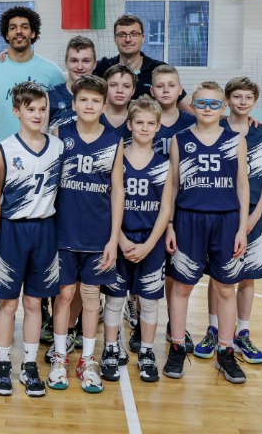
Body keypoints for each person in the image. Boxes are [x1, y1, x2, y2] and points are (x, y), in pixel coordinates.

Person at [164, 82, 249, 384]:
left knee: (225, 288)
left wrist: (242, 228)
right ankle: (177, 346)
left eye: (214, 104)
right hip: (188, 219)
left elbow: (242, 185)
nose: (208, 109)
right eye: (202, 103)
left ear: (224, 107)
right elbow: (173, 184)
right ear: (193, 106)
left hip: (226, 221)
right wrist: (170, 224)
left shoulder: (235, 139)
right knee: (182, 287)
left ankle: (225, 351)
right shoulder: (180, 139)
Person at [47, 75, 123, 394]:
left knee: (91, 296)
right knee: (64, 295)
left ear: (104, 106)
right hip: (63, 231)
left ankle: (88, 360)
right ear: (74, 103)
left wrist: (113, 239)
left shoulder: (115, 139)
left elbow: (117, 191)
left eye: (95, 101)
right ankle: (60, 357)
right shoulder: (59, 133)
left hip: (97, 234)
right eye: (84, 100)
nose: (89, 105)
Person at [194, 77, 262, 364]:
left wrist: (255, 214)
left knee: (248, 274)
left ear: (255, 101)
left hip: (252, 212)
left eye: (248, 97)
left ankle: (242, 333)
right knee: (219, 275)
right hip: (224, 211)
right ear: (227, 100)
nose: (243, 101)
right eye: (237, 96)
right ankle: (214, 329)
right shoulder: (217, 127)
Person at [0, 82, 63, 398]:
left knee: (34, 303)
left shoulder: (58, 147)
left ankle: (30, 365)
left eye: (42, 109)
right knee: (7, 304)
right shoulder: (3, 149)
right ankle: (3, 364)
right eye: (30, 109)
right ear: (16, 111)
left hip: (45, 230)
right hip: (11, 231)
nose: (37, 114)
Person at [101, 96, 173, 383]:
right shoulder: (117, 160)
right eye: (139, 122)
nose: (144, 128)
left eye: (150, 123)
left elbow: (166, 208)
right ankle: (110, 348)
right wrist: (119, 239)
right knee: (115, 299)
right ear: (129, 125)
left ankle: (146, 351)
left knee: (150, 301)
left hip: (150, 242)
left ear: (158, 127)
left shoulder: (165, 164)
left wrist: (149, 244)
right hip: (120, 238)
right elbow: (109, 201)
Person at [147, 64, 196, 355]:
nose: (166, 90)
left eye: (171, 85)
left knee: (174, 271)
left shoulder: (192, 121)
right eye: (160, 86)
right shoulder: (143, 119)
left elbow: (225, 124)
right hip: (147, 204)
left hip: (181, 207)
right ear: (152, 91)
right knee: (146, 268)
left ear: (180, 90)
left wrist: (247, 119)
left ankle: (174, 325)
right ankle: (140, 322)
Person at [0, 6, 65, 144]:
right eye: (13, 28)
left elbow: (61, 116)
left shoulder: (52, 71)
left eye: (24, 27)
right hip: (1, 151)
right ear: (6, 35)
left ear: (33, 33)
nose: (18, 31)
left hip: (40, 151)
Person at [93, 14, 190, 111]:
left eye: (134, 34)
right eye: (122, 35)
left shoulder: (158, 70)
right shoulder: (101, 67)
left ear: (143, 38)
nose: (128, 39)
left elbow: (190, 109)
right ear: (115, 39)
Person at [47, 36, 98, 131]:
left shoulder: (104, 97)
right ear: (66, 62)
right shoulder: (50, 96)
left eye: (86, 61)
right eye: (74, 60)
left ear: (94, 64)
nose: (80, 67)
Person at [102, 63, 137, 143]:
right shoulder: (93, 117)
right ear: (105, 87)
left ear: (133, 90)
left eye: (126, 86)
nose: (120, 90)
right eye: (113, 85)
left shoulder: (138, 121)